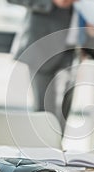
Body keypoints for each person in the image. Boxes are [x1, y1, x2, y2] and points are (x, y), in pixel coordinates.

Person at [9, 0, 76, 132]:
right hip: (43, 45)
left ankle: (56, 147)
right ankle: (43, 148)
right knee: (43, 110)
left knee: (64, 112)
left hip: (77, 47)